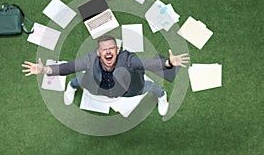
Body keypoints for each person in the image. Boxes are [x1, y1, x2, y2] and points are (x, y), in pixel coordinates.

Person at [22, 35, 190, 116]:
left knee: (151, 87)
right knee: (78, 80)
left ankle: (162, 96)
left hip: (129, 89)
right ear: (98, 52)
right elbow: (68, 67)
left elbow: (149, 64)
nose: (108, 51)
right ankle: (71, 88)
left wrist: (168, 63)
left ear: (117, 51)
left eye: (112, 48)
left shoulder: (129, 59)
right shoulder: (90, 59)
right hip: (97, 86)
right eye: (104, 49)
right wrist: (45, 70)